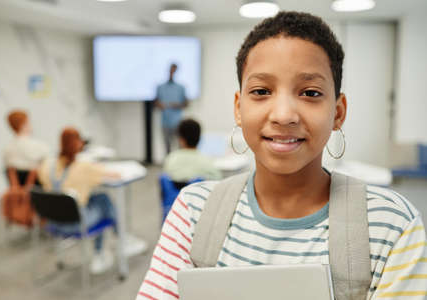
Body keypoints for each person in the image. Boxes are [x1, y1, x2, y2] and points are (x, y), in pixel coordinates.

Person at [137, 11, 427, 299]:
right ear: (239, 108)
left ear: (338, 112)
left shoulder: (392, 225)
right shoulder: (193, 212)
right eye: (262, 91)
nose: (284, 115)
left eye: (310, 93)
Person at [38, 127, 122, 275]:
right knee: (104, 202)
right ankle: (110, 245)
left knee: (97, 200)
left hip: (52, 223)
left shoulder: (46, 165)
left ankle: (110, 246)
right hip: (76, 225)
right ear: (79, 143)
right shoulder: (84, 167)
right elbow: (113, 174)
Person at [163, 118, 221, 182]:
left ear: (181, 139)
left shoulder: (171, 159)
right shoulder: (208, 162)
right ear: (199, 138)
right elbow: (217, 181)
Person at [4, 109, 48, 180]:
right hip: (36, 188)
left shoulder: (7, 149)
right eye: (29, 122)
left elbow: (10, 170)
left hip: (16, 189)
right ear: (24, 124)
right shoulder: (40, 147)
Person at [155, 63, 188, 154]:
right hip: (165, 121)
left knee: (180, 146)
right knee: (167, 147)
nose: (172, 72)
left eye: (174, 70)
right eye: (171, 70)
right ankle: (169, 165)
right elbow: (156, 103)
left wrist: (176, 105)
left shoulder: (181, 88)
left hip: (177, 121)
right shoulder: (160, 87)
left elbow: (186, 104)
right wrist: (159, 105)